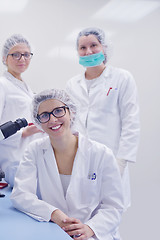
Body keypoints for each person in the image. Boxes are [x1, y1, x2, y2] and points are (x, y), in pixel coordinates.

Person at [11, 89, 125, 240]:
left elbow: (114, 206)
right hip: (53, 230)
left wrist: (90, 228)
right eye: (44, 115)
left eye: (58, 111)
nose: (52, 120)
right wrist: (54, 213)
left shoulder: (101, 154)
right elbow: (21, 194)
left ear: (70, 112)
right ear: (38, 121)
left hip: (93, 235)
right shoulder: (35, 150)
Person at [66, 27, 140, 209]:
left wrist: (121, 161)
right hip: (80, 159)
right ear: (77, 52)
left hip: (112, 159)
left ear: (104, 48)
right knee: (81, 214)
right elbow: (69, 123)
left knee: (110, 214)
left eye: (94, 45)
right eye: (82, 47)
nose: (88, 51)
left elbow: (131, 121)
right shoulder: (72, 84)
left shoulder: (122, 78)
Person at [0, 34, 42, 187]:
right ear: (5, 58)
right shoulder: (0, 84)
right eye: (16, 55)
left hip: (29, 154)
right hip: (14, 159)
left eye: (26, 55)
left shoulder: (24, 86)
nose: (22, 59)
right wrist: (24, 133)